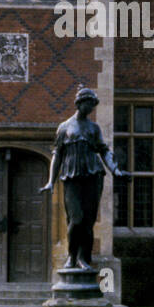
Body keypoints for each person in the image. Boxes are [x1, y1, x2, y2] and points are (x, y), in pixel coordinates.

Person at [40, 88, 129, 270]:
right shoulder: (64, 127)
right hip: (72, 177)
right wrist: (51, 181)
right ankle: (72, 257)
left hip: (93, 176)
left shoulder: (94, 128)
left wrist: (115, 170)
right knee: (76, 219)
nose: (91, 109)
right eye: (89, 104)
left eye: (93, 106)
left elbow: (104, 151)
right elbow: (57, 155)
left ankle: (83, 258)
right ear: (80, 103)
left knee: (88, 222)